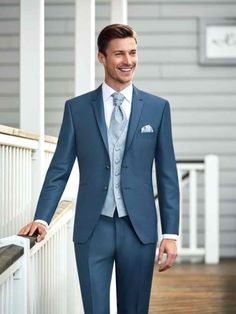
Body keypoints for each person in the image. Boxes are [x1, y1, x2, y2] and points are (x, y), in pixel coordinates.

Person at [18, 24, 179, 314]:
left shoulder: (158, 108)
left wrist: (171, 234)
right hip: (93, 229)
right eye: (119, 54)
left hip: (139, 230)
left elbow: (167, 174)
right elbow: (59, 169)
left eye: (132, 53)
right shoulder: (77, 109)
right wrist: (41, 218)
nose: (128, 61)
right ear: (101, 57)